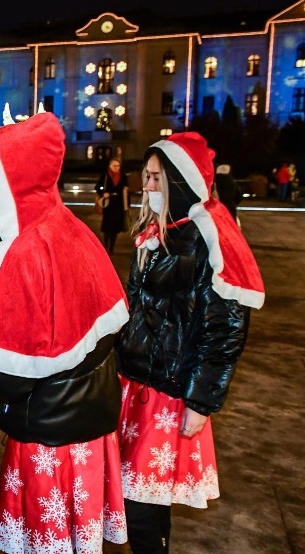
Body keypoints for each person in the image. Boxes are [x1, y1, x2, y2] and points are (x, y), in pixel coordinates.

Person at [0, 113, 129, 554]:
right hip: (92, 426)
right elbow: (63, 312)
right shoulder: (72, 228)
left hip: (48, 434)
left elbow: (4, 374)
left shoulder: (15, 251)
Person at [117, 132, 265, 553]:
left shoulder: (210, 238)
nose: (146, 187)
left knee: (139, 504)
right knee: (147, 497)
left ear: (180, 181)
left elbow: (226, 330)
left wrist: (202, 401)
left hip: (173, 393)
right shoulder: (157, 231)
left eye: (155, 178)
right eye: (145, 177)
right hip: (136, 385)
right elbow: (135, 305)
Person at [96, 157, 129, 253]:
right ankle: (105, 246)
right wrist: (103, 192)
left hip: (118, 203)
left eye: (118, 166)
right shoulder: (105, 175)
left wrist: (127, 205)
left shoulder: (123, 176)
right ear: (110, 166)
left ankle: (111, 247)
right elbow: (98, 187)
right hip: (108, 203)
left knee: (115, 228)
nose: (116, 168)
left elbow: (126, 191)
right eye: (114, 166)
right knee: (107, 227)